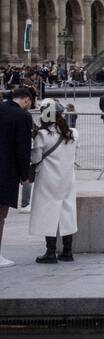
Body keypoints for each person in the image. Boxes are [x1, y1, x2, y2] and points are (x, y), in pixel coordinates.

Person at [28, 99, 79, 264]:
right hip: (67, 178)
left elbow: (35, 158)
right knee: (67, 212)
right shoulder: (73, 133)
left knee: (47, 212)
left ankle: (50, 252)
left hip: (48, 178)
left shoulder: (43, 135)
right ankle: (67, 251)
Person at [0, 86, 36, 269]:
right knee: (1, 213)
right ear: (26, 100)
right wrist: (25, 176)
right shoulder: (22, 117)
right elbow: (23, 149)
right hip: (6, 171)